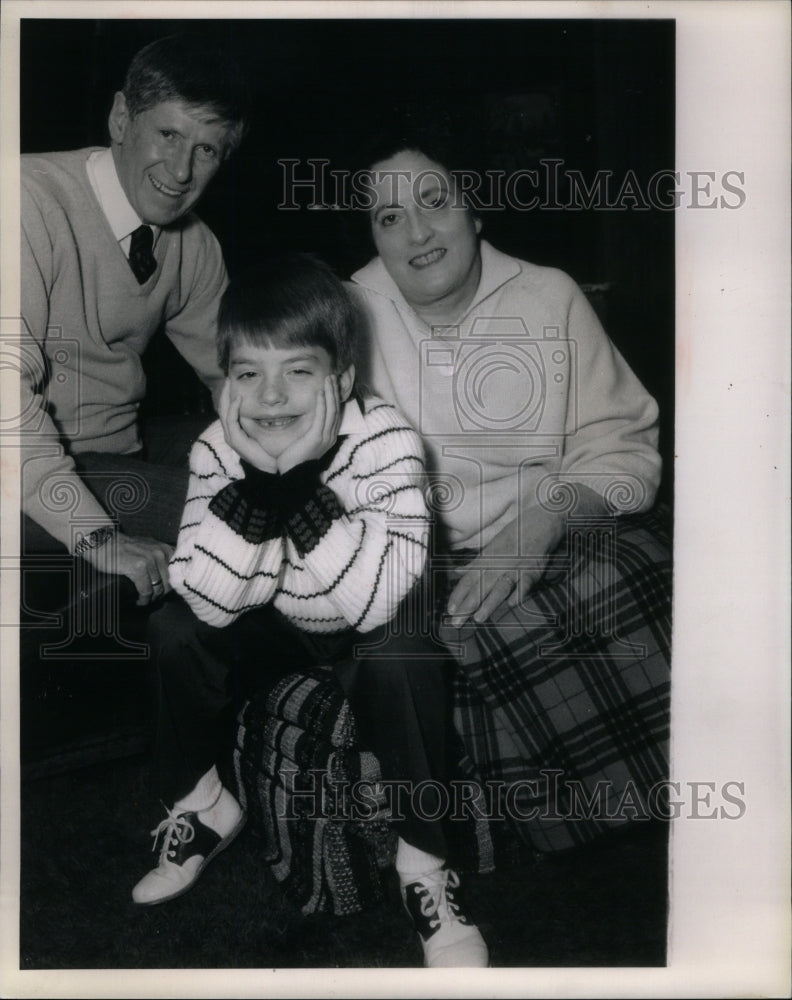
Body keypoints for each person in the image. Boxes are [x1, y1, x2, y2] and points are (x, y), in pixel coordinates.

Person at [135, 255, 490, 968]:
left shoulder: (387, 438)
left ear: (342, 379)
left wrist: (296, 488)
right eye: (247, 374)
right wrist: (257, 481)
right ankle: (205, 804)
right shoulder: (216, 448)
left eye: (298, 371)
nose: (270, 398)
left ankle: (423, 866)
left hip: (368, 620)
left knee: (402, 654)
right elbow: (207, 596)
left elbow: (372, 600)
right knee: (172, 628)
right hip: (280, 620)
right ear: (224, 380)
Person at [346, 121, 673, 855]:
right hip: (413, 561)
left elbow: (623, 450)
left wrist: (543, 521)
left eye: (434, 201)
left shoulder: (550, 297)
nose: (417, 234)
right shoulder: (345, 314)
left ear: (474, 207)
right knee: (427, 638)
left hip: (545, 535)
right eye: (389, 217)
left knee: (642, 574)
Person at [19, 33, 249, 607]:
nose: (180, 171)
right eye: (168, 134)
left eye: (206, 150)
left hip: (120, 450)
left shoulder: (192, 243)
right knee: (250, 515)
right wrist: (98, 538)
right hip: (23, 474)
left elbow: (239, 375)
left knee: (293, 475)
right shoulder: (25, 202)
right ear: (122, 117)